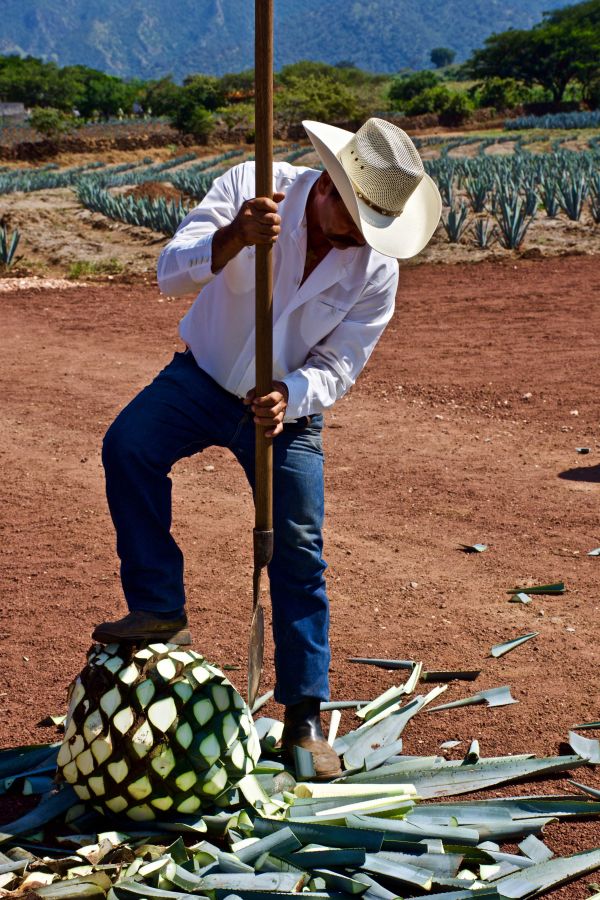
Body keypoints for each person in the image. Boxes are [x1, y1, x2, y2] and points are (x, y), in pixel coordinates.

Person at [93, 118, 441, 778]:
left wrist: (292, 393)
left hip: (286, 413)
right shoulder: (253, 191)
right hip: (202, 379)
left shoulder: (377, 270)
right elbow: (170, 273)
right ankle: (160, 608)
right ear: (332, 188)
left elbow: (341, 362)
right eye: (357, 219)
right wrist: (231, 240)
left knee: (299, 547)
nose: (364, 238)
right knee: (129, 447)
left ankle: (304, 717)